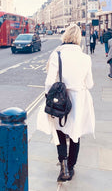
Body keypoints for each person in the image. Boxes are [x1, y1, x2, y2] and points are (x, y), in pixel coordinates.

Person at [37, 24, 95, 182]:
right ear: (78, 38)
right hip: (80, 100)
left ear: (65, 36)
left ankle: (64, 168)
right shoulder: (85, 58)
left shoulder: (57, 54)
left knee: (59, 131)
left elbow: (49, 82)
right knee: (75, 134)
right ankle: (71, 166)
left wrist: (50, 96)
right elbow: (90, 84)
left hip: (61, 100)